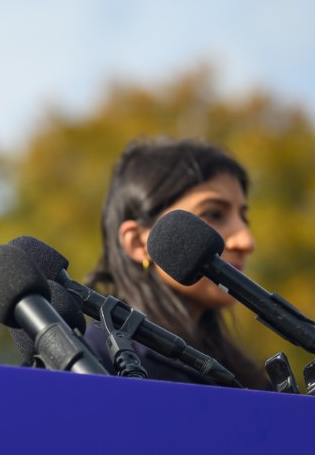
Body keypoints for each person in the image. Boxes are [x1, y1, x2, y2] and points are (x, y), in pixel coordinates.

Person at [84, 137, 270, 390]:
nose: (246, 241)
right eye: (214, 214)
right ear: (139, 243)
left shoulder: (247, 377)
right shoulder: (90, 364)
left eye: (243, 217)